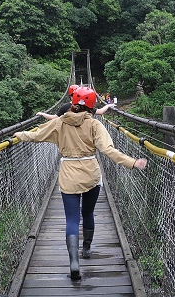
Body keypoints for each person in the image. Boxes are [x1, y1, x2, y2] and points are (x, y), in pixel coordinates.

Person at [13, 86, 147, 280]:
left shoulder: (60, 122)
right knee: (88, 213)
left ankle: (74, 262)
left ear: (73, 102)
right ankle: (86, 249)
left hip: (68, 175)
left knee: (72, 219)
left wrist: (20, 135)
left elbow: (37, 135)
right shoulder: (95, 125)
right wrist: (133, 163)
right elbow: (108, 150)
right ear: (93, 106)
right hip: (91, 174)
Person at [37, 85, 115, 120]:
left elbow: (54, 118)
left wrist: (43, 114)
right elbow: (100, 112)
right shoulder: (86, 106)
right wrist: (107, 106)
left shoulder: (65, 107)